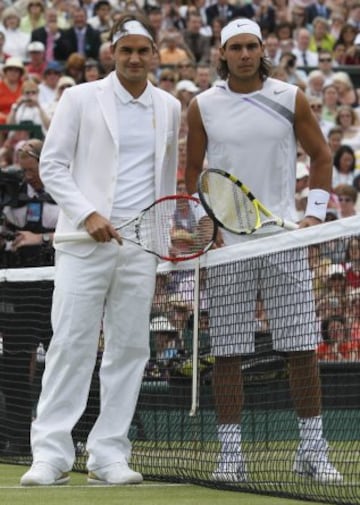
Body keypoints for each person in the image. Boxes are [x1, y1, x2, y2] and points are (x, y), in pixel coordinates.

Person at [20, 11, 181, 487]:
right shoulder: (79, 97)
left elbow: (166, 177)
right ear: (112, 53)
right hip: (82, 242)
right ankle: (50, 454)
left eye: (142, 50)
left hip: (140, 249)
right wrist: (88, 213)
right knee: (70, 344)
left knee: (130, 349)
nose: (134, 57)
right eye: (125, 49)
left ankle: (109, 453)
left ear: (153, 55)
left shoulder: (169, 106)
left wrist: (161, 242)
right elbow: (52, 165)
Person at [186, 18, 343, 484]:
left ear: (262, 50)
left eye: (251, 46)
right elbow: (193, 171)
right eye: (235, 47)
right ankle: (230, 455)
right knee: (228, 354)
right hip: (228, 248)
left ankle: (313, 451)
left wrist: (313, 216)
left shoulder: (289, 97)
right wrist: (205, 223)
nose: (245, 54)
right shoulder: (203, 106)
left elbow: (321, 156)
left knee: (301, 350)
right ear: (223, 54)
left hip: (283, 239)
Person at [0, 139, 58, 456]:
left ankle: (72, 435)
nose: (26, 177)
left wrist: (41, 238)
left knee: (62, 358)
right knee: (13, 363)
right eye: (22, 171)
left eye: (31, 170)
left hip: (54, 284)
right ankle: (17, 438)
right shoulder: (10, 192)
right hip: (18, 285)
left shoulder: (65, 189)